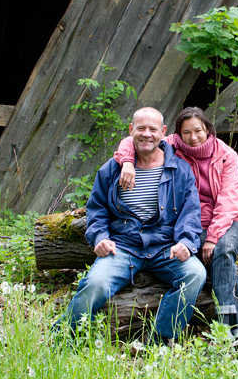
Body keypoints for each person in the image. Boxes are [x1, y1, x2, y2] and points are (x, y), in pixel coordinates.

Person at [57, 107, 206, 344]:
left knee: (195, 273)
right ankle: (64, 337)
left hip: (163, 246)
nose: (147, 134)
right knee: (95, 283)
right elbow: (96, 209)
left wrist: (186, 242)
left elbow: (190, 213)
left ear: (163, 132)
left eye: (153, 129)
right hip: (123, 246)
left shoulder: (180, 169)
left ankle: (160, 340)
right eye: (141, 128)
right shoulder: (112, 169)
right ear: (131, 131)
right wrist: (99, 237)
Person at [115, 106, 238, 341]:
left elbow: (229, 201)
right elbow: (133, 139)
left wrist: (212, 239)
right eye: (186, 132)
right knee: (193, 263)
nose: (193, 137)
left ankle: (230, 327)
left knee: (224, 251)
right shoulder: (171, 146)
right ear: (178, 134)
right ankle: (235, 329)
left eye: (198, 130)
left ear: (208, 129)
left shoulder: (226, 155)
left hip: (228, 221)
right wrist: (127, 162)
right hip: (191, 223)